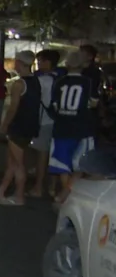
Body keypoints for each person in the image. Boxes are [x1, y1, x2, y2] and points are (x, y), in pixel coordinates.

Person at [0, 51, 41, 206]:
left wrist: (5, 124)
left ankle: (19, 196)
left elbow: (13, 107)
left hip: (18, 125)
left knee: (18, 163)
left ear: (19, 63)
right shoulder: (35, 81)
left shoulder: (19, 84)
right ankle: (1, 190)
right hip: (30, 124)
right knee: (12, 160)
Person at [48, 51, 98, 207]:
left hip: (62, 129)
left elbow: (53, 106)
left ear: (67, 65)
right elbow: (94, 103)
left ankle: (64, 194)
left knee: (63, 166)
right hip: (82, 129)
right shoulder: (88, 83)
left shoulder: (59, 82)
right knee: (81, 164)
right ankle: (66, 195)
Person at [28, 50, 58, 198]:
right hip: (57, 121)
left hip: (44, 121)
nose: (38, 64)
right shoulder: (59, 78)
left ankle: (38, 187)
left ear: (48, 62)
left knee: (42, 154)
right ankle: (52, 186)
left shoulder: (42, 80)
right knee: (52, 154)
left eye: (40, 61)